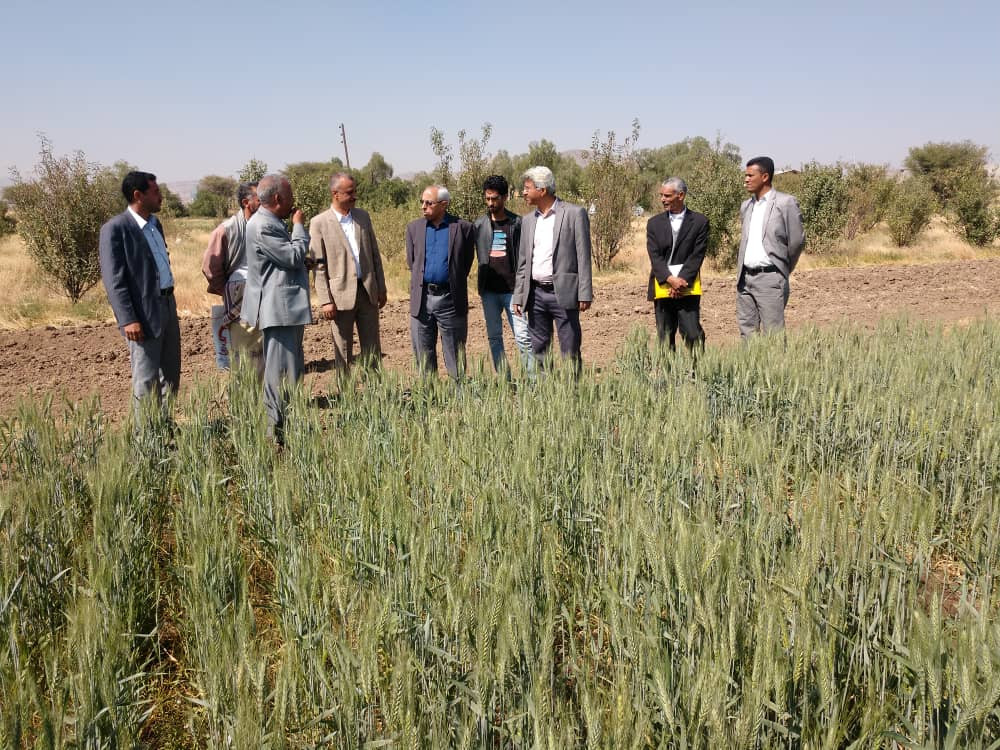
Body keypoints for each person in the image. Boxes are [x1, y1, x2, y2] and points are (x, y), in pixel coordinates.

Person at [99, 170, 181, 419]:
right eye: (155, 192)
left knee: (171, 374)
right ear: (138, 195)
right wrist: (128, 319)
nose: (161, 197)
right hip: (142, 314)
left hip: (167, 305)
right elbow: (114, 281)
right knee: (146, 379)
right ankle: (145, 442)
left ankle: (164, 430)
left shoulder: (156, 225)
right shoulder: (116, 229)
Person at [241, 174, 311, 444]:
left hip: (282, 308)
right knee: (283, 371)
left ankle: (284, 427)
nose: (294, 202)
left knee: (287, 369)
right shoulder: (263, 226)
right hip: (279, 309)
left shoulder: (267, 222)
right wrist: (298, 227)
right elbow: (293, 256)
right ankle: (279, 431)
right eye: (290, 196)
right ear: (279, 198)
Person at [512, 166, 593, 371]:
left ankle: (573, 395)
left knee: (570, 348)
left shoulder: (574, 214)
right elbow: (523, 262)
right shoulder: (528, 221)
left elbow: (583, 256)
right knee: (539, 349)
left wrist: (585, 292)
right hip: (536, 294)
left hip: (564, 293)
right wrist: (519, 295)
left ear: (542, 190)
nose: (523, 192)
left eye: (527, 187)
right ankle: (545, 395)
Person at [309, 172, 387, 371]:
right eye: (350, 192)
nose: (355, 196)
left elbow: (374, 254)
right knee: (343, 351)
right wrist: (326, 300)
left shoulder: (363, 216)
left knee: (372, 348)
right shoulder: (319, 223)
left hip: (367, 292)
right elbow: (318, 266)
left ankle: (375, 393)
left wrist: (381, 287)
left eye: (355, 191)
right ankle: (346, 396)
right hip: (339, 297)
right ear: (335, 194)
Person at [405, 185, 475, 380]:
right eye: (422, 202)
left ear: (443, 205)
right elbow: (412, 262)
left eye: (429, 203)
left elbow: (465, 263)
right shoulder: (414, 228)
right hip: (422, 299)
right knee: (423, 351)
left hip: (450, 299)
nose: (423, 207)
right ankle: (429, 396)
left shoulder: (463, 228)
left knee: (455, 350)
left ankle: (460, 396)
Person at [736, 156, 805, 338]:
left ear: (765, 177)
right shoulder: (746, 206)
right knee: (747, 333)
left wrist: (781, 267)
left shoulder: (785, 203)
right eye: (745, 175)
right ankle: (751, 368)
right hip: (745, 279)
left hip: (770, 278)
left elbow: (797, 241)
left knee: (773, 336)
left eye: (750, 175)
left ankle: (774, 368)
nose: (746, 179)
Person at [202, 181, 264, 376]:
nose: (265, 203)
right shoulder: (226, 229)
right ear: (246, 202)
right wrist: (230, 291)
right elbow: (210, 268)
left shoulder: (267, 225)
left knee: (263, 350)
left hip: (265, 295)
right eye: (260, 199)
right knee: (244, 349)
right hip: (240, 298)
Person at [473, 175, 532, 376]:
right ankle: (505, 380)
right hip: (488, 292)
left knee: (523, 337)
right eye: (487, 198)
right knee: (494, 338)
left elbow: (525, 257)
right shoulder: (479, 225)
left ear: (505, 197)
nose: (490, 203)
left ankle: (534, 383)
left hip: (513, 291)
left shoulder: (517, 223)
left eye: (495, 198)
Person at [646, 177, 709, 352]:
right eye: (661, 195)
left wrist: (680, 280)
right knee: (665, 336)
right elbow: (654, 256)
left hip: (687, 286)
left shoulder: (699, 222)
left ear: (680, 195)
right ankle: (669, 377)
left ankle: (699, 374)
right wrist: (669, 279)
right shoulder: (654, 223)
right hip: (662, 285)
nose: (662, 199)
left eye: (667, 195)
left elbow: (697, 255)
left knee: (692, 333)